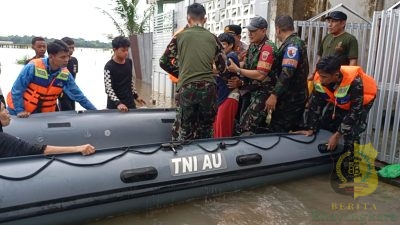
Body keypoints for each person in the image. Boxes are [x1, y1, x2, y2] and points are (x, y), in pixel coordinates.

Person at [159, 3, 226, 141]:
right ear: (205, 19)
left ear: (188, 19)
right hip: (209, 88)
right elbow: (222, 67)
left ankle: (184, 157)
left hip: (187, 87)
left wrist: (181, 73)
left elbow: (163, 61)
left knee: (185, 128)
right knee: (206, 128)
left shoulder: (179, 37)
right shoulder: (213, 38)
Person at [293, 56, 377, 152]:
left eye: (324, 77)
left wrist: (337, 135)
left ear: (336, 75)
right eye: (320, 75)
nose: (320, 79)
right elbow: (316, 104)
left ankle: (350, 158)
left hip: (362, 101)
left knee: (350, 133)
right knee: (326, 124)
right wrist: (311, 128)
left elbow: (355, 111)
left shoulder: (355, 82)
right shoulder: (320, 77)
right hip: (339, 100)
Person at [7, 40, 96, 117]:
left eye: (68, 56)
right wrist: (20, 111)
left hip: (44, 115)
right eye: (63, 57)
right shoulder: (32, 67)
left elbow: (78, 95)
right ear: (51, 56)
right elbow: (17, 89)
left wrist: (95, 111)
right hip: (21, 113)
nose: (67, 60)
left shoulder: (65, 74)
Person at [227, 16, 278, 135]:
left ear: (263, 31)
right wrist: (230, 67)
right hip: (252, 90)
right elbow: (246, 64)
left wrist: (238, 70)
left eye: (253, 31)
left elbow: (260, 74)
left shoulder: (267, 48)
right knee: (241, 123)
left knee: (246, 126)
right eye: (249, 31)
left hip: (264, 93)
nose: (250, 34)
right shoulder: (253, 45)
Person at [0, 102, 95, 158]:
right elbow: (35, 149)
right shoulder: (3, 139)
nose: (8, 111)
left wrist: (93, 110)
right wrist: (78, 148)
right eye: (3, 109)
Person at [264, 15, 309, 132]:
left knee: (278, 132)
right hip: (291, 97)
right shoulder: (294, 42)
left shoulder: (292, 46)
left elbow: (287, 73)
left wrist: (274, 95)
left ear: (278, 29)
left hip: (290, 99)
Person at [104, 36, 146, 112]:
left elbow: (130, 81)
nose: (126, 53)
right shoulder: (109, 66)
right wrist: (118, 103)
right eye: (123, 50)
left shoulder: (129, 62)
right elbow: (108, 89)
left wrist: (136, 96)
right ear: (115, 50)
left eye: (127, 50)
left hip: (129, 102)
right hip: (115, 106)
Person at [213, 33, 240, 138]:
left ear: (231, 45)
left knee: (223, 129)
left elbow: (218, 69)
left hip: (229, 97)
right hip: (223, 97)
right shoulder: (222, 57)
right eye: (219, 44)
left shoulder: (231, 56)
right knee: (218, 127)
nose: (221, 47)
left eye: (223, 44)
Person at [58, 37, 78, 111]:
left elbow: (74, 76)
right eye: (69, 48)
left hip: (72, 90)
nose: (71, 50)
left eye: (73, 48)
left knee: (73, 110)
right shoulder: (59, 62)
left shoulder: (74, 60)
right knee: (65, 111)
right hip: (62, 91)